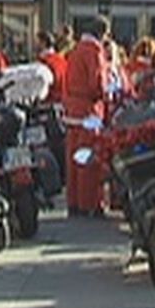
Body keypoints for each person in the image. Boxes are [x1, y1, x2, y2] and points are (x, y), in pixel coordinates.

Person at [64, 15, 109, 219]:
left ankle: (73, 202)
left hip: (72, 111)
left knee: (73, 160)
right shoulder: (94, 50)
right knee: (89, 160)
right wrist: (105, 94)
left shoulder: (74, 51)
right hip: (89, 112)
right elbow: (97, 83)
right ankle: (89, 203)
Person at [35, 30, 69, 103]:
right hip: (64, 102)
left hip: (49, 102)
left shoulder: (43, 63)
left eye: (37, 42)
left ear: (43, 43)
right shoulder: (63, 61)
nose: (35, 44)